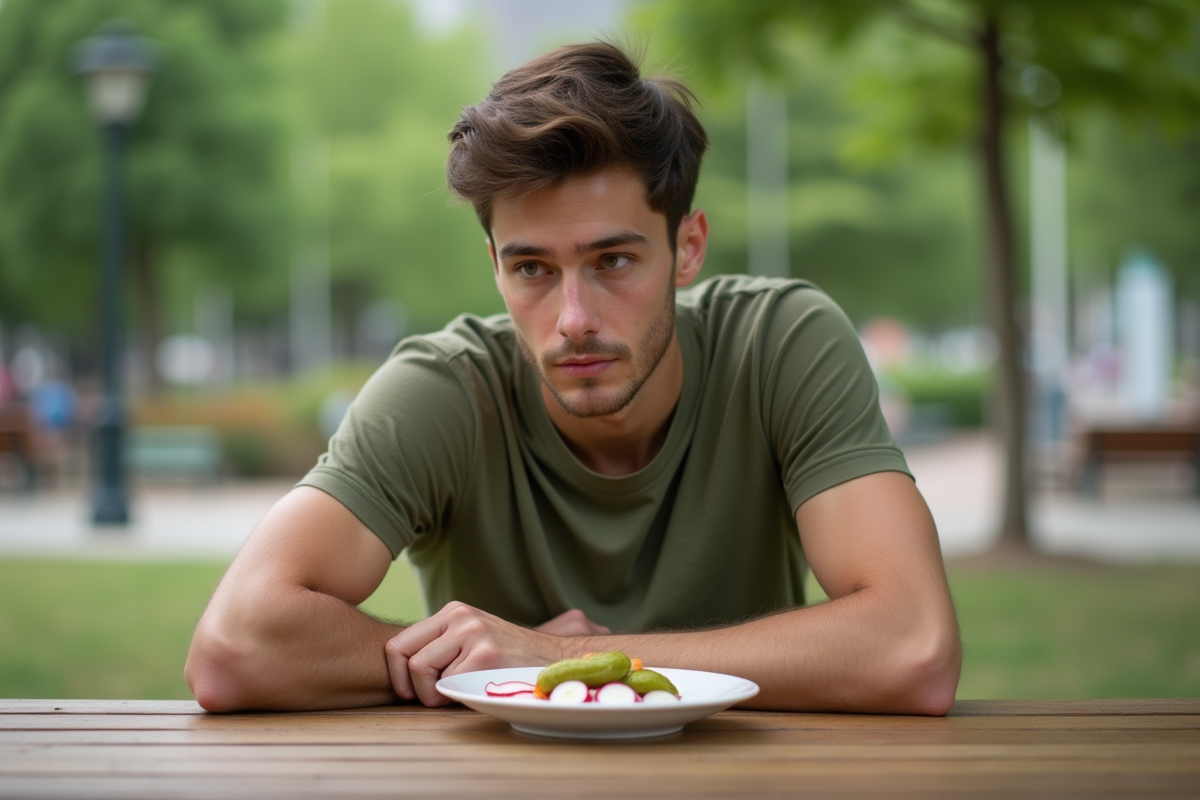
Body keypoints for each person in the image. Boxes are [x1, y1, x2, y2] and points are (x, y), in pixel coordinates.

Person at [185, 42, 961, 715]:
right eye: (532, 268)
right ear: (493, 267)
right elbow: (235, 647)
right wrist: (462, 662)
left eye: (612, 261)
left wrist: (552, 662)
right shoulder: (443, 390)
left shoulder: (781, 343)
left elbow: (912, 647)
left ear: (688, 247)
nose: (573, 318)